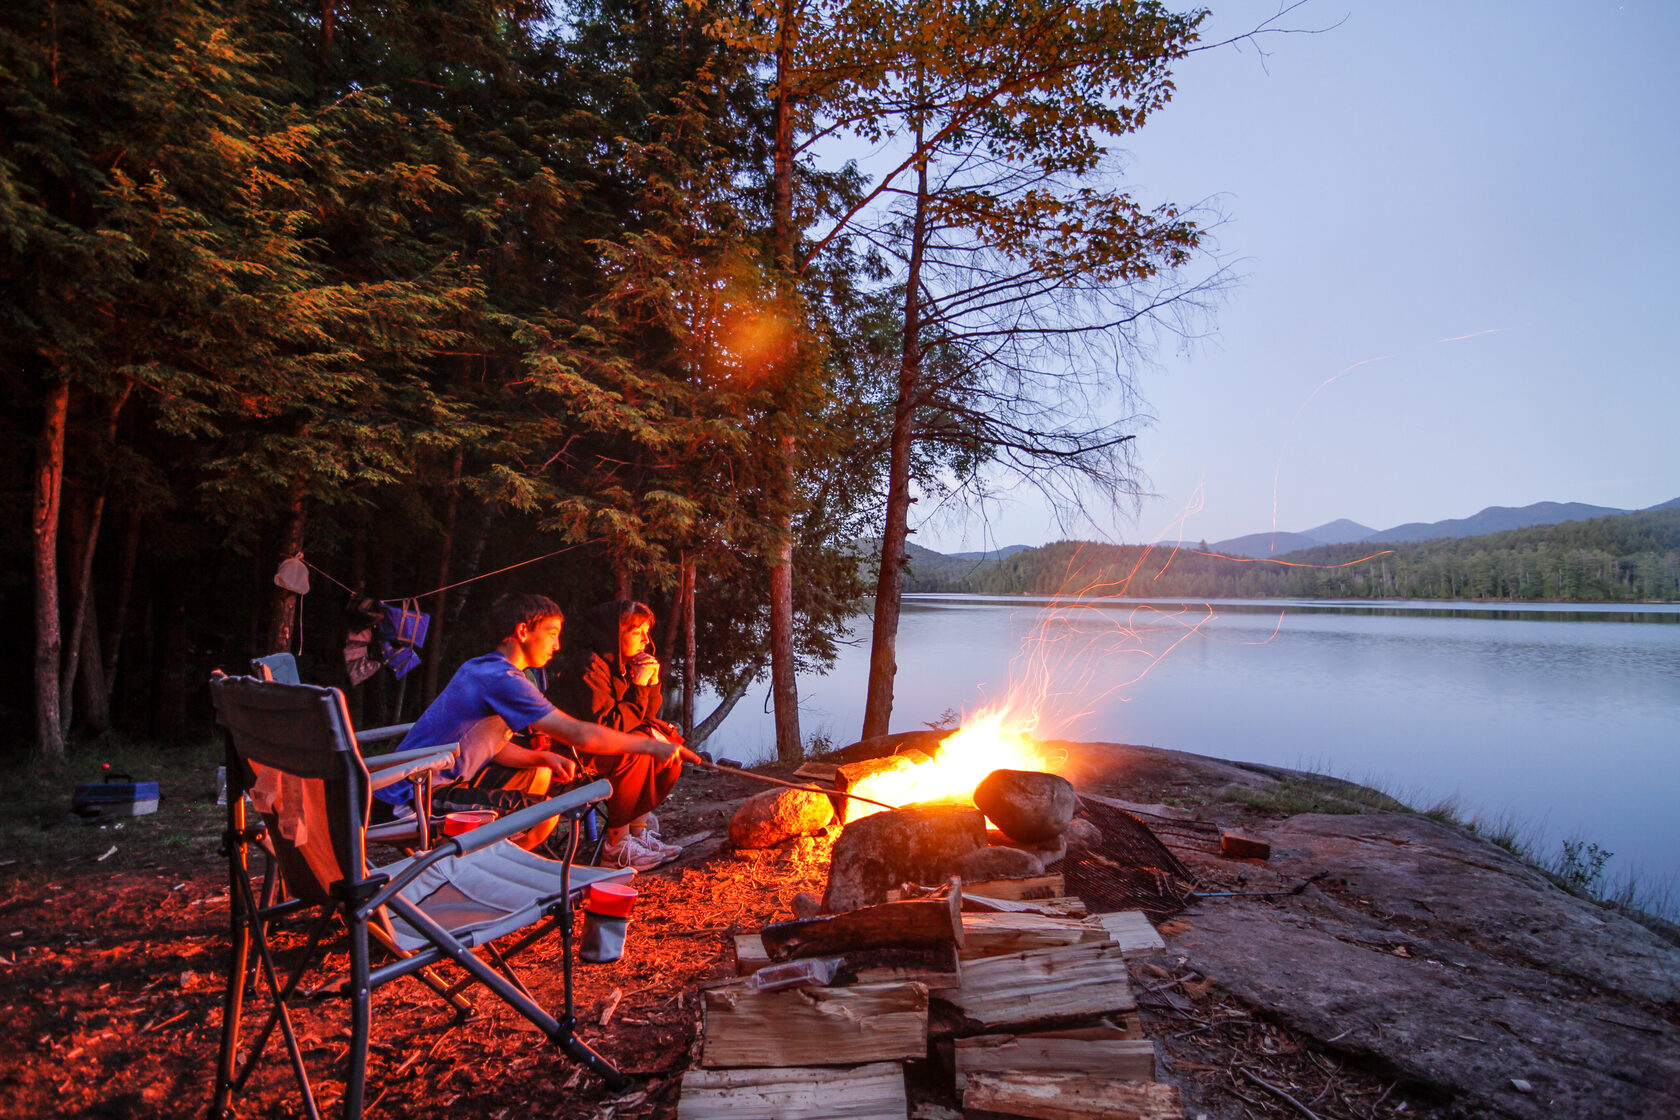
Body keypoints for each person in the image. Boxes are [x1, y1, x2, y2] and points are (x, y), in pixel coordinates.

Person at [374, 593, 682, 856]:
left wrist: (540, 756)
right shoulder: (502, 679)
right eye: (551, 633)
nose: (557, 645)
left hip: (412, 786)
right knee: (543, 815)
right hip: (413, 798)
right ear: (523, 631)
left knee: (539, 784)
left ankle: (481, 864)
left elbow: (488, 745)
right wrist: (650, 745)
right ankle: (484, 874)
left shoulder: (483, 668)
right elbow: (580, 733)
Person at [547, 599, 694, 871]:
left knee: (668, 745)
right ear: (615, 635)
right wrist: (638, 688)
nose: (646, 640)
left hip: (597, 747)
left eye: (647, 632)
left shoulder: (622, 666)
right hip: (567, 753)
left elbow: (643, 717)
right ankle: (616, 845)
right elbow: (610, 727)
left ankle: (638, 834)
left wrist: (650, 683)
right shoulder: (589, 666)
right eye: (637, 632)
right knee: (636, 750)